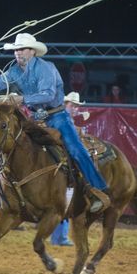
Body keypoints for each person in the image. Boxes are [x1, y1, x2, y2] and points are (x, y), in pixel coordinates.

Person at [0, 33, 111, 213]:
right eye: (16, 50)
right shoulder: (14, 71)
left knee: (76, 149)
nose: (18, 53)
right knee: (15, 146)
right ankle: (13, 196)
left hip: (57, 116)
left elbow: (47, 94)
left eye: (22, 49)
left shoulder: (46, 68)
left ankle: (98, 190)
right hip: (36, 118)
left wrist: (22, 99)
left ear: (32, 51)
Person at [51, 91, 87, 246]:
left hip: (64, 166)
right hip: (59, 166)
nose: (75, 108)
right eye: (73, 105)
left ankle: (59, 236)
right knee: (63, 200)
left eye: (77, 106)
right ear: (66, 104)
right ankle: (58, 237)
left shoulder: (64, 120)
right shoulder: (60, 120)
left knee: (66, 200)